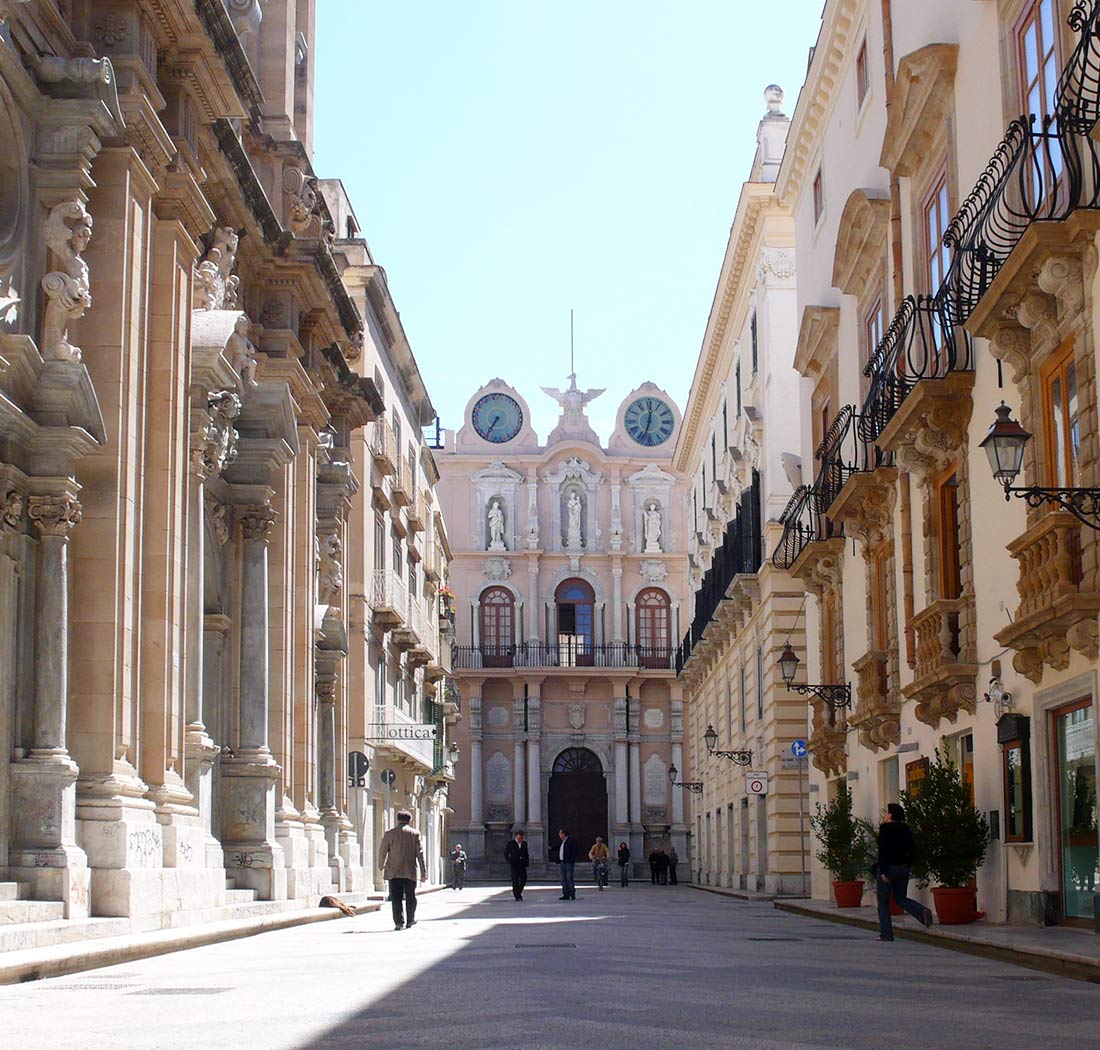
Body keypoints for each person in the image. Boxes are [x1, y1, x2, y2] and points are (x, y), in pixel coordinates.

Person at [876, 802, 934, 941]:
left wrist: (883, 871)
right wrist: (908, 865)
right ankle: (922, 911)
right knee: (901, 898)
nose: (886, 815)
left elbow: (883, 851)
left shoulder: (885, 829)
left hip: (888, 868)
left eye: (887, 812)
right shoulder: (906, 828)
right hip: (903, 868)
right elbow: (911, 848)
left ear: (891, 815)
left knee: (883, 903)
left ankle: (886, 934)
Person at [378, 809, 427, 931]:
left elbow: (382, 851)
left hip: (393, 871)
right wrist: (423, 872)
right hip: (410, 871)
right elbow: (420, 854)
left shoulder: (389, 833)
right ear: (409, 820)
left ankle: (399, 923)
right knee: (411, 897)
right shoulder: (415, 834)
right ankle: (410, 920)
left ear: (398, 820)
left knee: (396, 898)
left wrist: (381, 864)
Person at [504, 829, 529, 900]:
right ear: (516, 837)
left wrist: (527, 862)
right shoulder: (511, 843)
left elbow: (526, 854)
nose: (520, 839)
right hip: (514, 864)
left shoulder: (524, 844)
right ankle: (517, 896)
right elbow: (506, 853)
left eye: (521, 838)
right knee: (515, 880)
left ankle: (518, 892)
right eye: (519, 838)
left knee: (523, 879)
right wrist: (509, 861)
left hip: (522, 864)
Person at [558, 828, 577, 900]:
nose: (559, 835)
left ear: (564, 834)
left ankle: (572, 894)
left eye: (560, 833)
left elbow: (574, 851)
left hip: (568, 862)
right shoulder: (563, 842)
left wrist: (571, 860)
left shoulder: (570, 841)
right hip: (562, 862)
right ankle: (565, 894)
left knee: (569, 878)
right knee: (563, 879)